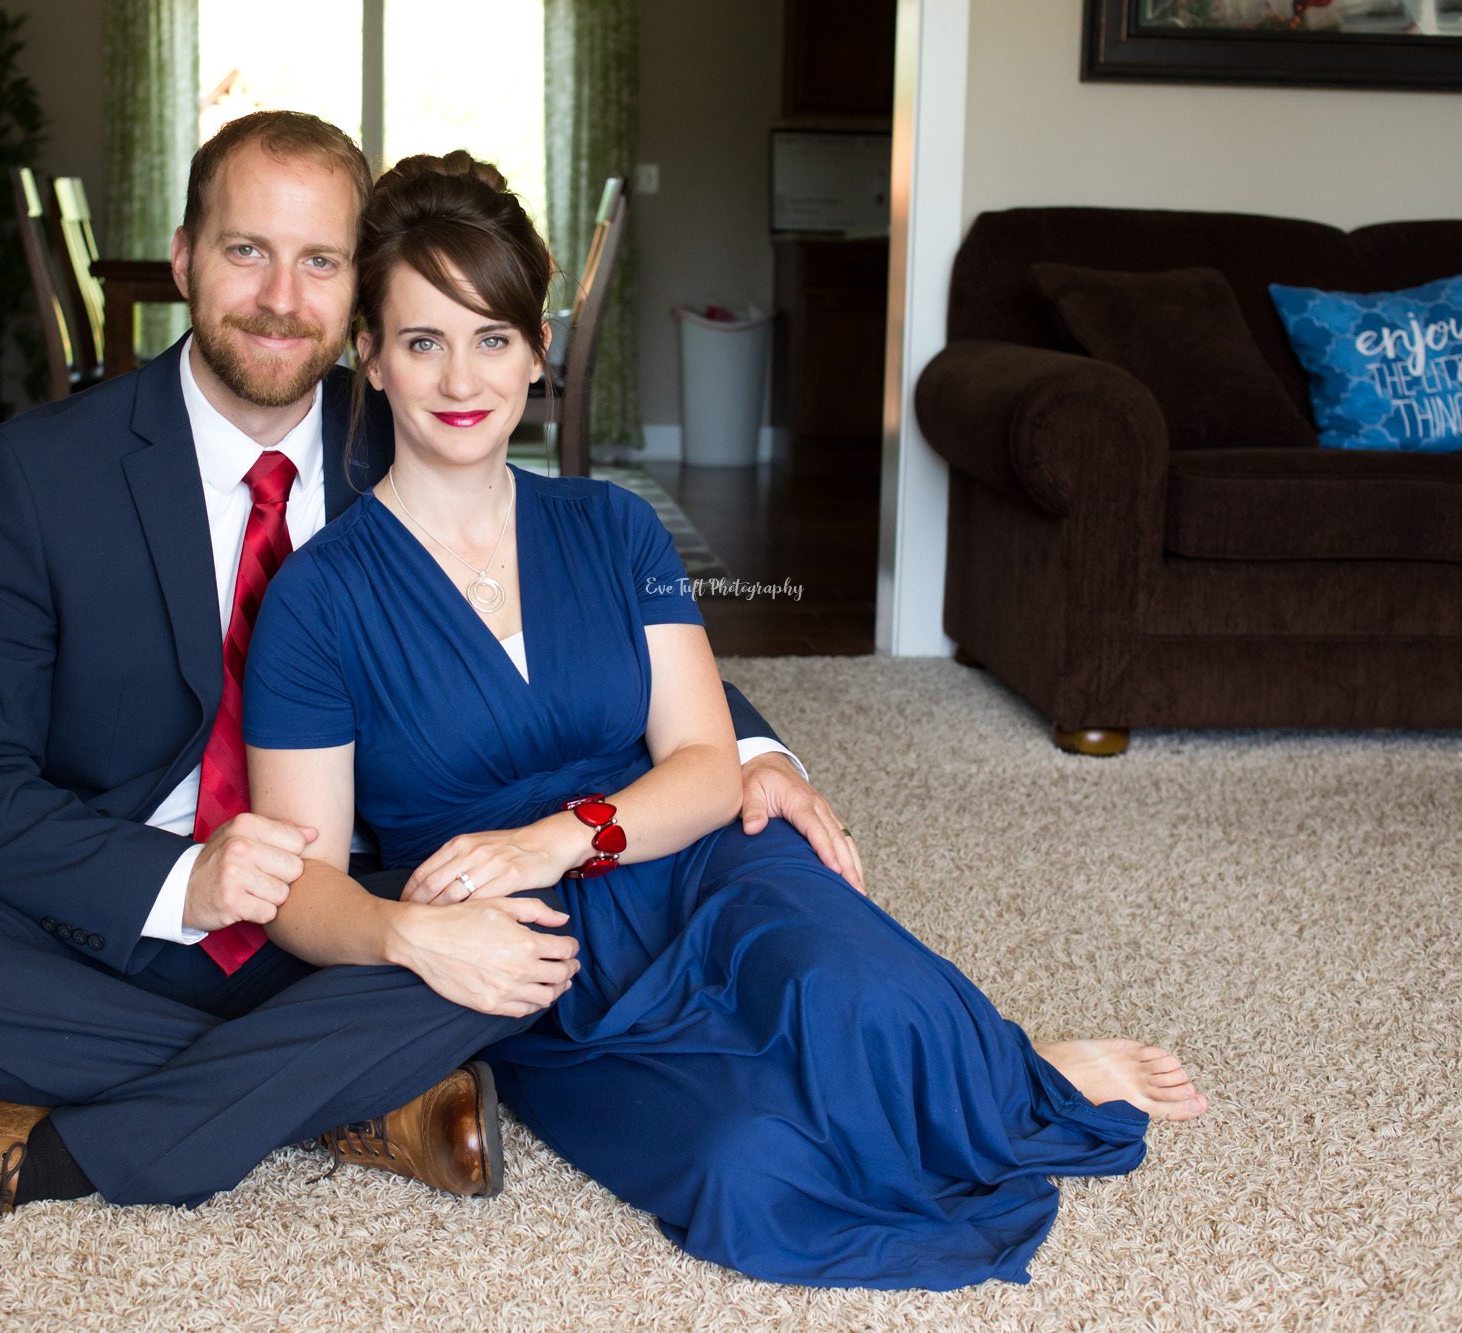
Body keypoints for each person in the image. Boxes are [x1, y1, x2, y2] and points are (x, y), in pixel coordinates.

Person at [0, 112, 851, 1230]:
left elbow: (573, 624)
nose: (282, 298)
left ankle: (46, 1152)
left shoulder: (412, 426)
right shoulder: (36, 476)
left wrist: (752, 749)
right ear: (184, 257)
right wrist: (184, 883)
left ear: (359, 295)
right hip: (118, 901)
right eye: (247, 251)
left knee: (523, 919)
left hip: (352, 893)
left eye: (320, 261)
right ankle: (353, 1099)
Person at [241, 151, 1210, 1290]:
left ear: (539, 350)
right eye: (422, 341)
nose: (462, 377)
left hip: (683, 856)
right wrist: (411, 934)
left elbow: (706, 765)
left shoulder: (617, 528)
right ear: (368, 355)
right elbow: (297, 885)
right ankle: (960, 1070)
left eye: (492, 338)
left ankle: (1006, 1061)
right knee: (750, 1169)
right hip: (531, 956)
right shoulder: (318, 597)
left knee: (883, 1016)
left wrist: (556, 838)